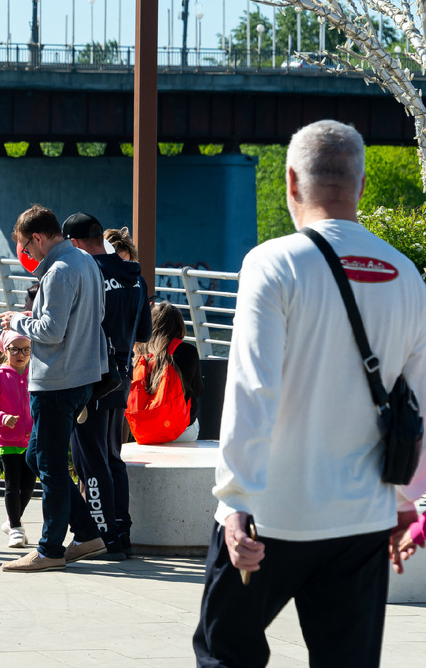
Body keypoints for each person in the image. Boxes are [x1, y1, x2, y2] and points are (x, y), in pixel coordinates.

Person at [192, 120, 426, 667]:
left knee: (225, 652)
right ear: (362, 186)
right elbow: (417, 405)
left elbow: (252, 386)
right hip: (362, 518)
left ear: (291, 181)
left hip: (271, 514)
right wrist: (403, 504)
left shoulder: (274, 263)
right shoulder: (406, 275)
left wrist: (234, 502)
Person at [0, 204, 107, 573]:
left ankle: (50, 549)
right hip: (83, 376)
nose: (27, 255)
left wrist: (17, 321)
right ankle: (87, 533)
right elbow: (95, 317)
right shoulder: (85, 261)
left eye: (27, 248)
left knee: (51, 463)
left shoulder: (58, 271)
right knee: (39, 457)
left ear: (38, 238)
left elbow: (51, 331)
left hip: (58, 380)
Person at [63, 212, 151, 559]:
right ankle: (120, 532)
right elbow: (144, 333)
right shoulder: (134, 277)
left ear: (75, 243)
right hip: (122, 377)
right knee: (114, 456)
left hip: (90, 379)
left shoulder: (88, 273)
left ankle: (102, 535)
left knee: (90, 460)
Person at [0, 329, 36, 550]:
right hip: (7, 439)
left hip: (32, 440)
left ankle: (13, 520)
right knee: (12, 486)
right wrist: (2, 418)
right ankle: (15, 527)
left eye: (26, 350)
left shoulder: (36, 374)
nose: (20, 354)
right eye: (15, 349)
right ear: (5, 350)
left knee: (29, 486)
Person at [136, 301, 202, 443]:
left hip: (143, 429)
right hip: (181, 430)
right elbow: (198, 390)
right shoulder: (188, 351)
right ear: (180, 326)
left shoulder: (139, 352)